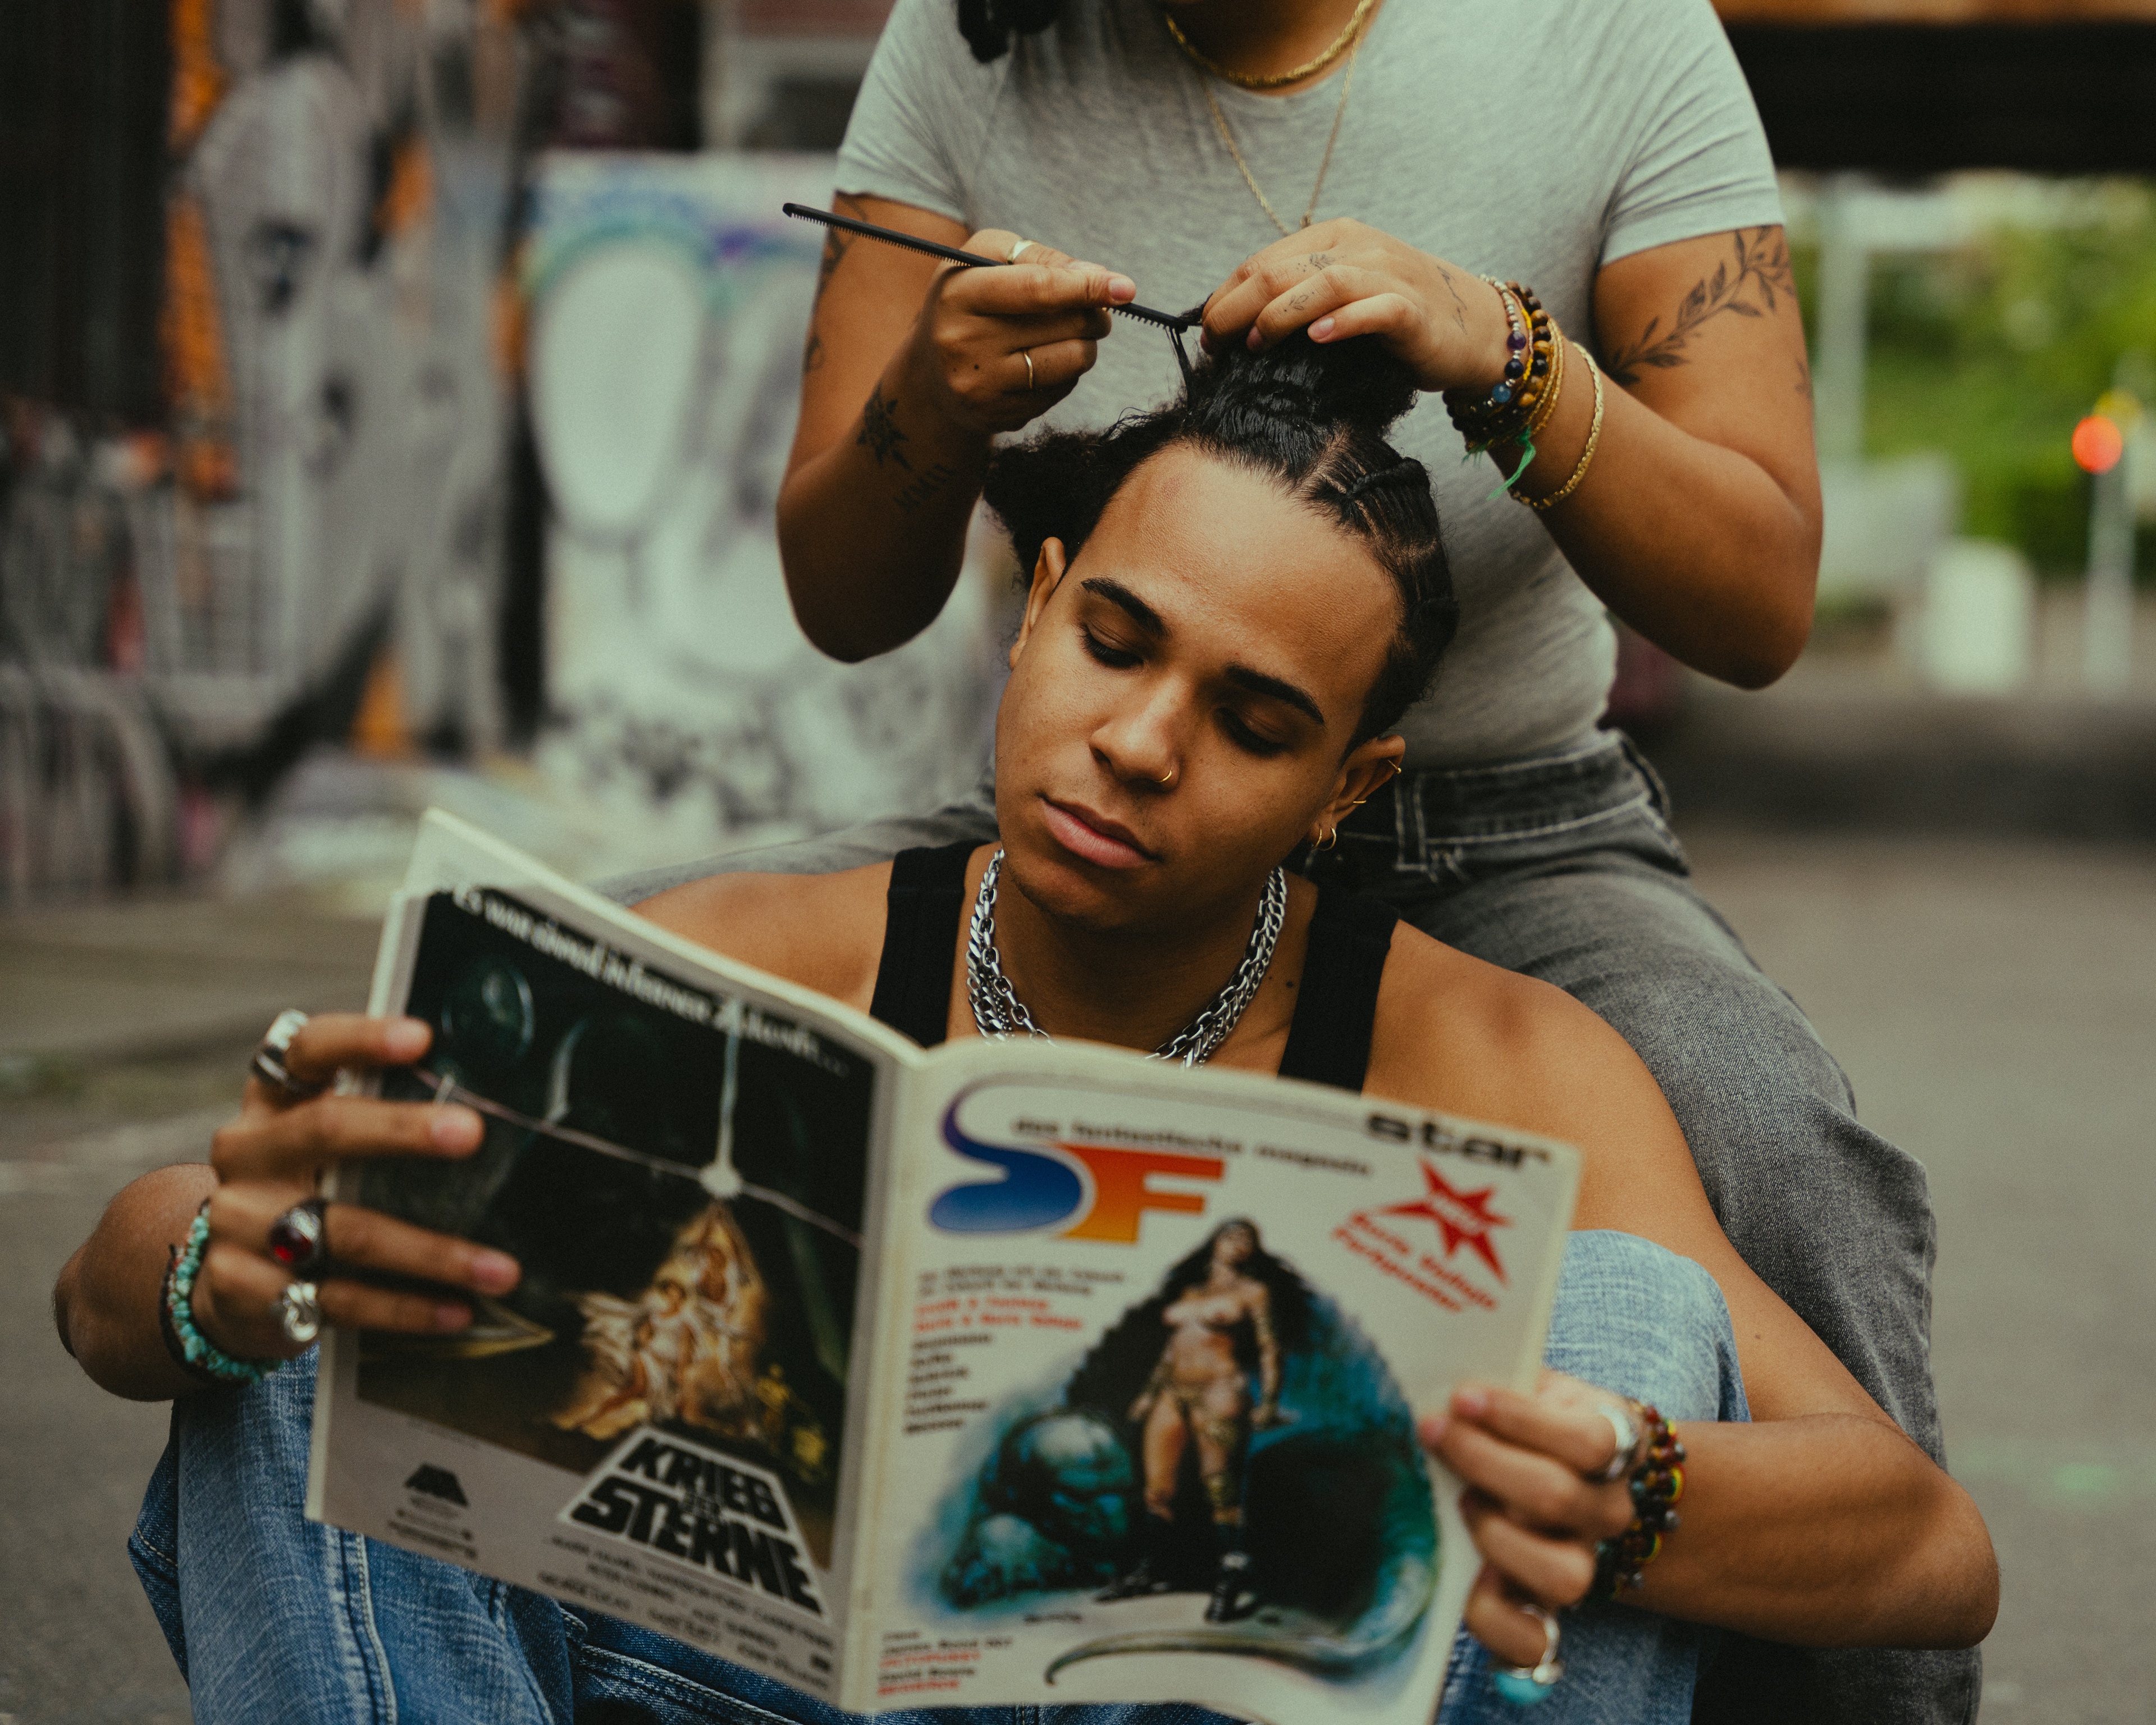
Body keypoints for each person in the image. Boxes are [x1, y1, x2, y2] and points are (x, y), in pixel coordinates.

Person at [57, 334, 1995, 1725]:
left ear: (1343, 786)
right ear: (1038, 606)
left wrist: (1615, 1485)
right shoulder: (753, 953)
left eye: (1251, 721)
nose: (1139, 744)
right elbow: (110, 1298)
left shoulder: (1491, 1056)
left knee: (1627, 1317)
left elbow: (1926, 1548)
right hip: (758, 1680)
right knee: (327, 1301)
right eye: (1117, 642)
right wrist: (243, 1260)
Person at [680, 3, 1964, 1715]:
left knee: (1759, 1140)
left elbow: (1759, 601)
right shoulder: (968, 47)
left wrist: (1508, 357)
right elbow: (844, 599)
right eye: (1100, 630)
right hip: (1092, 823)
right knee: (563, 992)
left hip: (1506, 821)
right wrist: (926, 402)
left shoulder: (1605, 36)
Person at [1103, 1220, 1289, 1622]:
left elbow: (1269, 1348)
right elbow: (1173, 1348)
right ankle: (1149, 1571)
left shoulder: (1254, 1292)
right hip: (1173, 1391)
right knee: (1157, 1489)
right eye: (1231, 1236)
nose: (1238, 1244)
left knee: (1220, 1487)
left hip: (1219, 1390)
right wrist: (1149, 1393)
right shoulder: (1192, 1293)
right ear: (1215, 1242)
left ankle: (1229, 1578)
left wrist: (1269, 1402)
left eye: (1247, 1239)